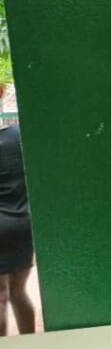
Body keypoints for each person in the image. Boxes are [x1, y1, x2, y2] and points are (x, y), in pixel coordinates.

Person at [0, 109, 35, 336]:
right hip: (23, 224)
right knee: (19, 292)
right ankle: (32, 347)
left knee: (0, 296)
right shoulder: (20, 136)